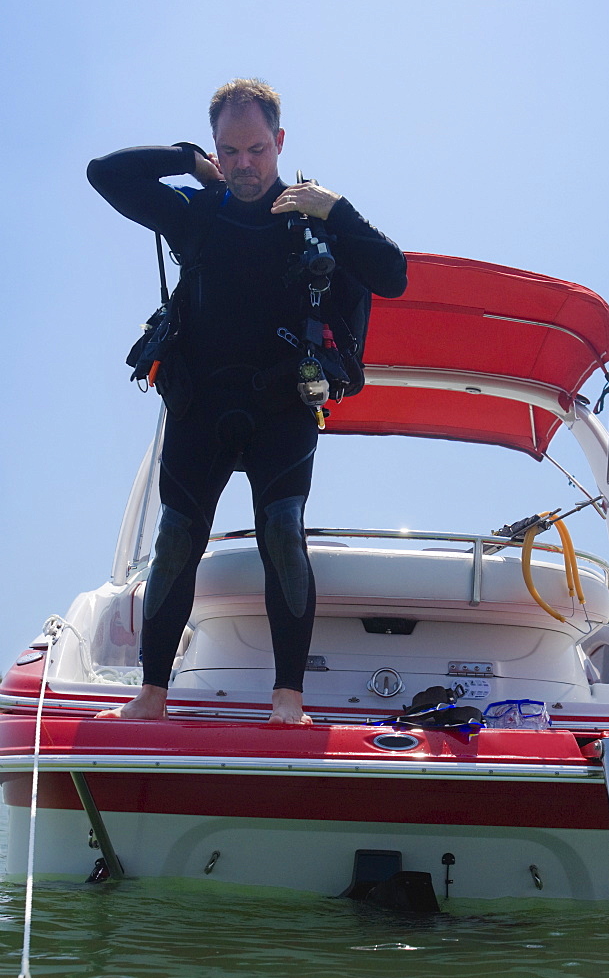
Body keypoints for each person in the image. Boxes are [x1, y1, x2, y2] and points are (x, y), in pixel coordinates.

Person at [87, 78, 407, 724]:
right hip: (199, 406)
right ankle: (151, 694)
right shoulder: (195, 212)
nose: (243, 164)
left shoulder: (310, 218)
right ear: (214, 149)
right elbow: (106, 174)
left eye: (256, 149)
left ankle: (288, 700)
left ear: (279, 142)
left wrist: (335, 208)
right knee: (175, 539)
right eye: (228, 151)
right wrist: (184, 160)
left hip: (282, 409)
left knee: (282, 536)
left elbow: (392, 276)